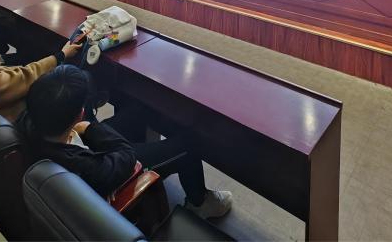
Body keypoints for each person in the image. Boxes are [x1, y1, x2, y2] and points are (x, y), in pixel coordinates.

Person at [20, 65, 233, 219]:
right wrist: (92, 128)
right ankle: (200, 202)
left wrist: (84, 128)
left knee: (138, 110)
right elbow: (127, 156)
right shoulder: (85, 167)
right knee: (188, 145)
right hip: (117, 169)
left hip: (81, 146)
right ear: (80, 115)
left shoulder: (27, 123)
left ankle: (149, 152)